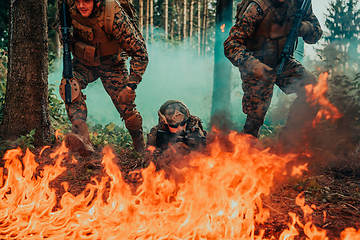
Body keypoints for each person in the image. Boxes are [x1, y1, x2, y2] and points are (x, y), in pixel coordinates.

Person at [55, 0, 149, 156]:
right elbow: (60, 20)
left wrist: (131, 86)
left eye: (86, 1)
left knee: (127, 109)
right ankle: (82, 139)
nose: (81, 5)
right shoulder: (68, 5)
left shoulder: (114, 15)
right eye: (78, 1)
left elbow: (140, 53)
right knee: (69, 87)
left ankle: (140, 147)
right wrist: (62, 31)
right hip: (84, 62)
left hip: (112, 65)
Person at [223, 0, 322, 145]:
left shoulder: (300, 3)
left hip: (283, 60)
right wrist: (254, 65)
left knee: (312, 88)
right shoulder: (257, 7)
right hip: (256, 66)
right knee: (255, 120)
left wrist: (305, 27)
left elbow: (316, 34)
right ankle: (245, 157)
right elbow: (231, 45)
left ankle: (288, 142)